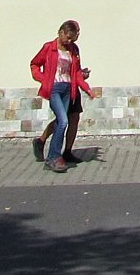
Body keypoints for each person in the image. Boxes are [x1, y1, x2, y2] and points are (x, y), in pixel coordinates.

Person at [30, 21, 101, 173]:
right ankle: (53, 157)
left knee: (64, 120)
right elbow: (35, 64)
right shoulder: (49, 47)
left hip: (69, 89)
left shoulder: (73, 50)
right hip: (55, 89)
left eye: (73, 39)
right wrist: (44, 79)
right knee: (63, 121)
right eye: (68, 38)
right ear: (61, 32)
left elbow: (76, 72)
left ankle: (60, 152)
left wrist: (87, 88)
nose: (69, 41)